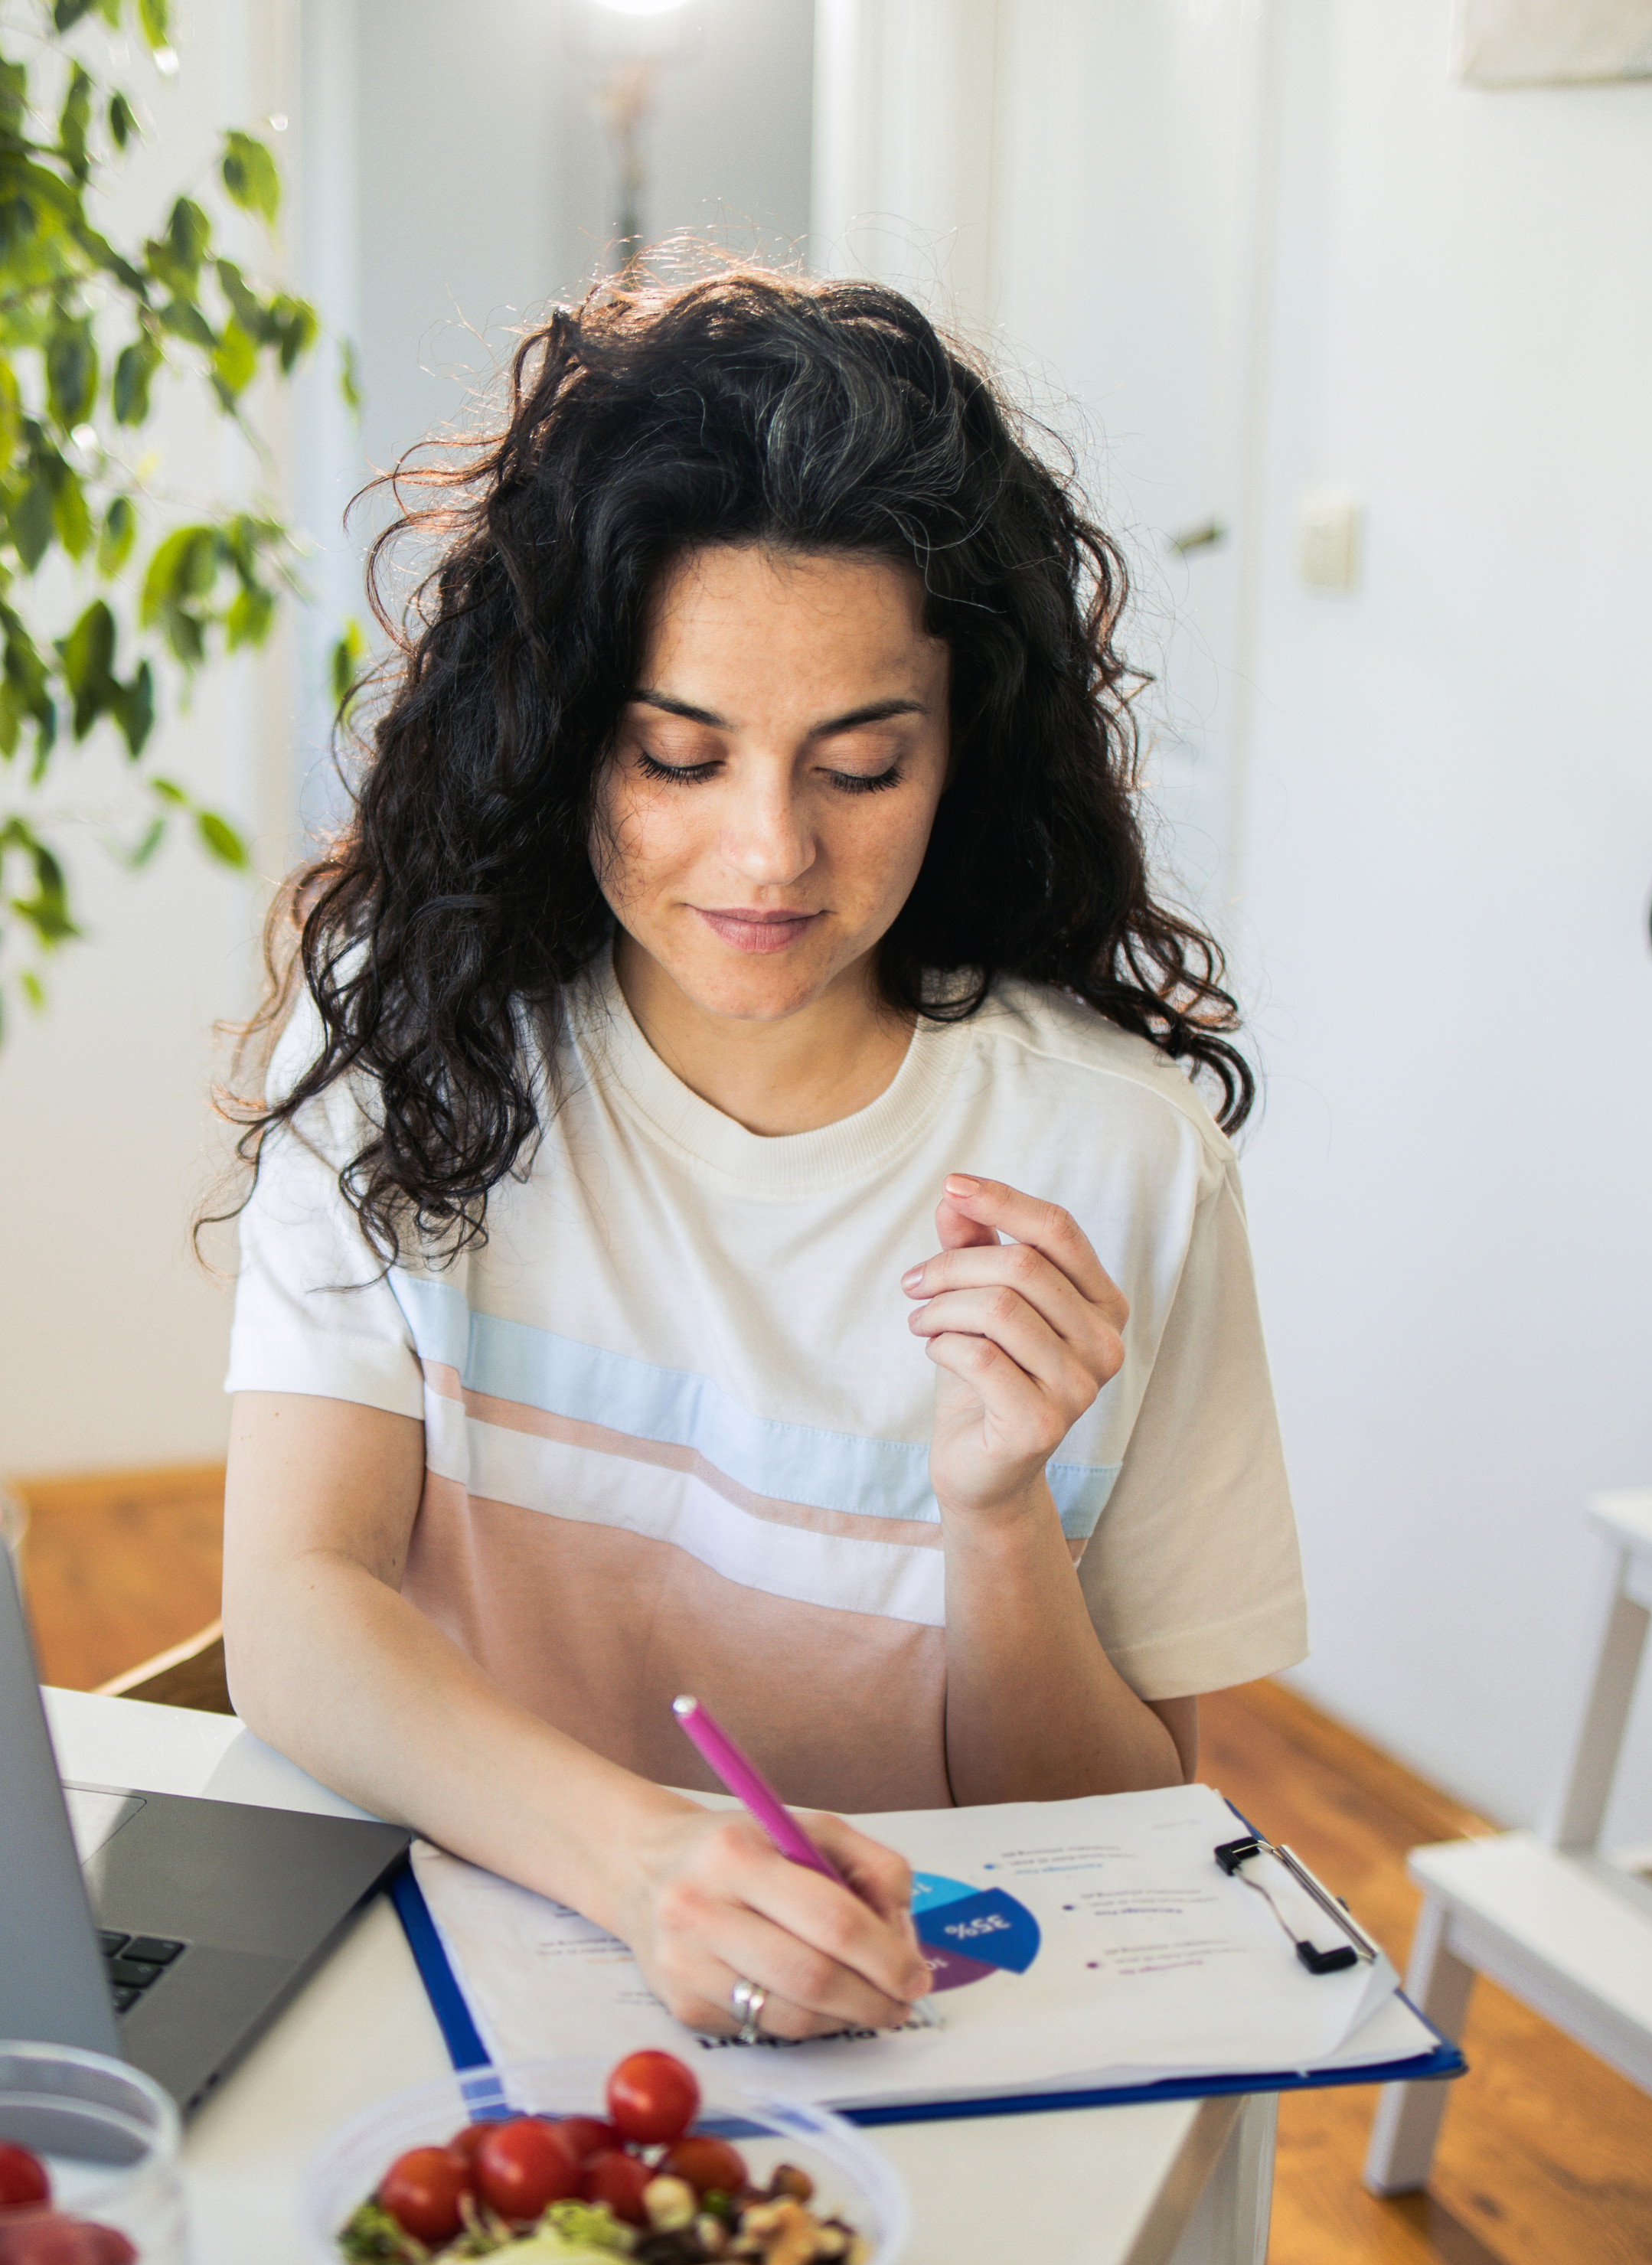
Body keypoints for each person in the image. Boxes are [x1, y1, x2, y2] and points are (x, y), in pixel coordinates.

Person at [215, 267, 1305, 2046]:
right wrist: (646, 1863)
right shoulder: (414, 1041)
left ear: (962, 750)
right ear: (561, 731)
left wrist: (995, 1512)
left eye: (859, 767)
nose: (769, 854)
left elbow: (1115, 1834)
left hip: (925, 2032)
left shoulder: (1116, 1158)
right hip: (472, 1978)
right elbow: (292, 1603)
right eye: (678, 755)